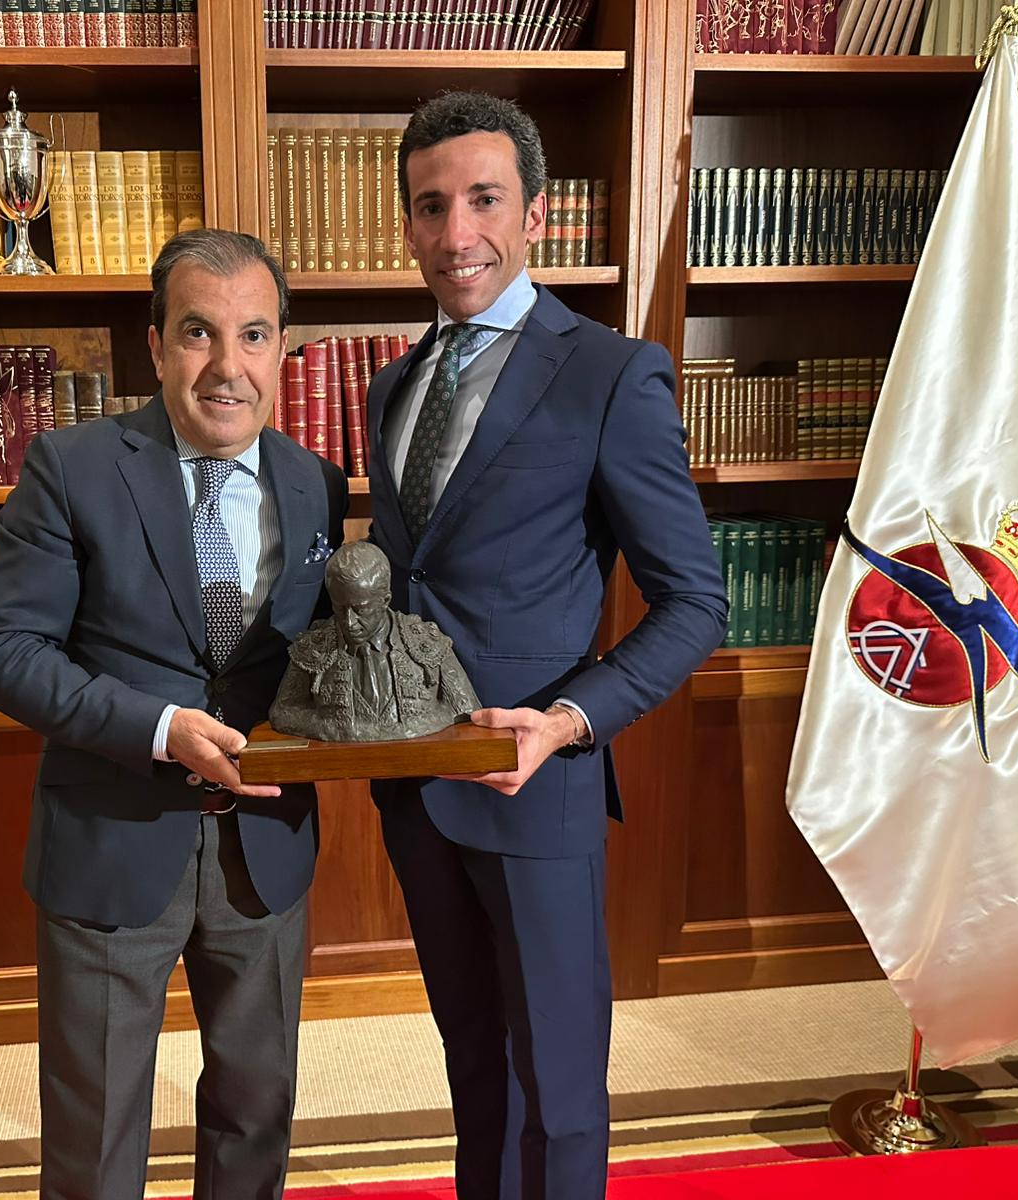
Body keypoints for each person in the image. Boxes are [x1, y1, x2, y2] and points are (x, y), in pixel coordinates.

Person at [365, 92, 728, 1198]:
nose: (454, 232)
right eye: (430, 207)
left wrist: (571, 720)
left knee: (559, 1086)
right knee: (475, 1068)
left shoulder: (612, 373)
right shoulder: (392, 383)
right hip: (416, 784)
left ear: (534, 212)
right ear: (409, 225)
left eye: (482, 199)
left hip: (539, 783)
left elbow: (693, 602)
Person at [0, 228, 348, 1200]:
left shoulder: (313, 484)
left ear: (281, 349)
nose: (227, 366)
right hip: (110, 844)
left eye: (253, 335)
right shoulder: (72, 466)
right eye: (198, 334)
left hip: (265, 849)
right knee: (96, 1139)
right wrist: (158, 727)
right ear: (155, 344)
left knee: (257, 1111)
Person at [269, 539, 477, 741]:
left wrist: (416, 725)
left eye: (360, 610)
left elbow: (466, 708)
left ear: (385, 600)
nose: (349, 622)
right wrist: (335, 728)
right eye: (340, 608)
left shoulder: (427, 643)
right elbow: (282, 712)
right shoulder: (313, 648)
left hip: (420, 764)